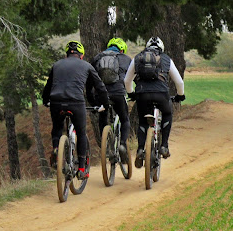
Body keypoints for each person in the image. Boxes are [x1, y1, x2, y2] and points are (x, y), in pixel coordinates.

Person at [42, 40, 109, 179]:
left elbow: (48, 87)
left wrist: (45, 101)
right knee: (81, 132)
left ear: (66, 55)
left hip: (56, 101)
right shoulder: (87, 65)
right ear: (82, 55)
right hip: (75, 102)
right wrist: (104, 104)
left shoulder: (57, 65)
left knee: (57, 128)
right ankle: (82, 168)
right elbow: (100, 87)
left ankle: (56, 149)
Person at [123, 36, 185, 168]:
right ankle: (164, 146)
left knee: (143, 121)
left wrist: (131, 93)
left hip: (142, 94)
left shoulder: (138, 58)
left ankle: (140, 149)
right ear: (161, 48)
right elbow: (179, 81)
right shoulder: (166, 59)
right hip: (161, 94)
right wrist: (180, 96)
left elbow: (127, 80)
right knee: (167, 114)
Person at [91, 37, 132, 162]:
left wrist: (93, 101)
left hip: (101, 95)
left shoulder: (97, 57)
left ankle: (107, 144)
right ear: (122, 49)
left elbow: (90, 79)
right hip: (118, 93)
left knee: (103, 118)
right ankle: (123, 145)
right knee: (125, 119)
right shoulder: (126, 59)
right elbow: (132, 78)